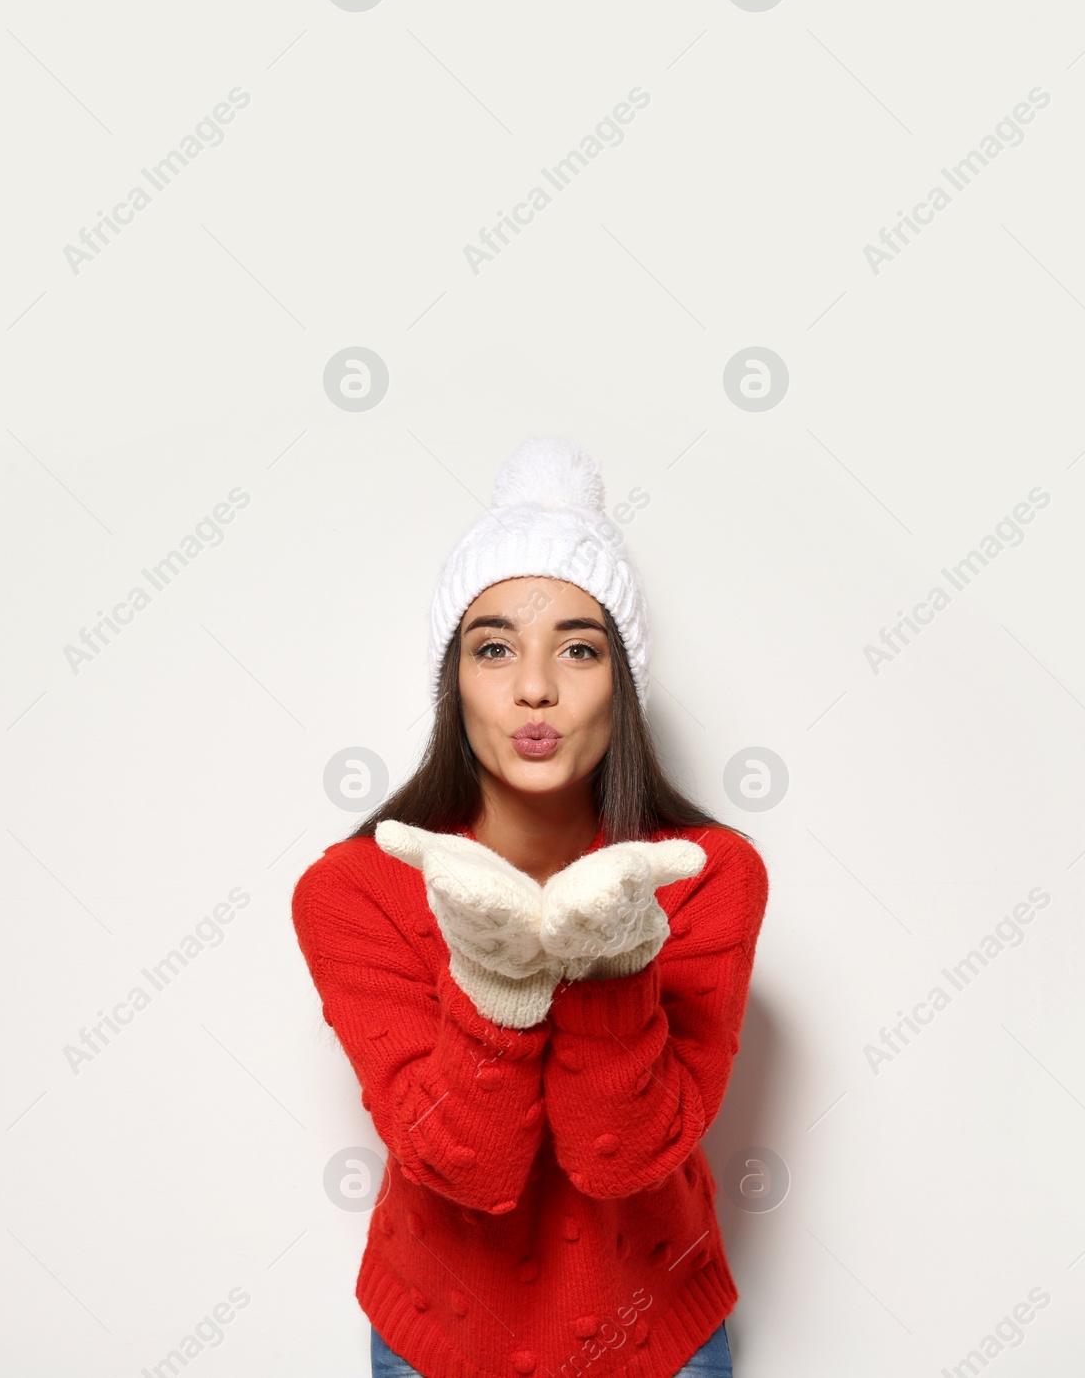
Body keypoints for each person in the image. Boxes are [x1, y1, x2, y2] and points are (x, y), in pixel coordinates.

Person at [291, 436, 769, 1378]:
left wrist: (610, 959)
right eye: (494, 646)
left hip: (659, 1334)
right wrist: (499, 971)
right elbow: (468, 1166)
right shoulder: (353, 888)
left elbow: (623, 1160)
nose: (534, 687)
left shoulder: (707, 872)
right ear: (454, 679)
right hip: (440, 1337)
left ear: (620, 683)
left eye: (579, 648)